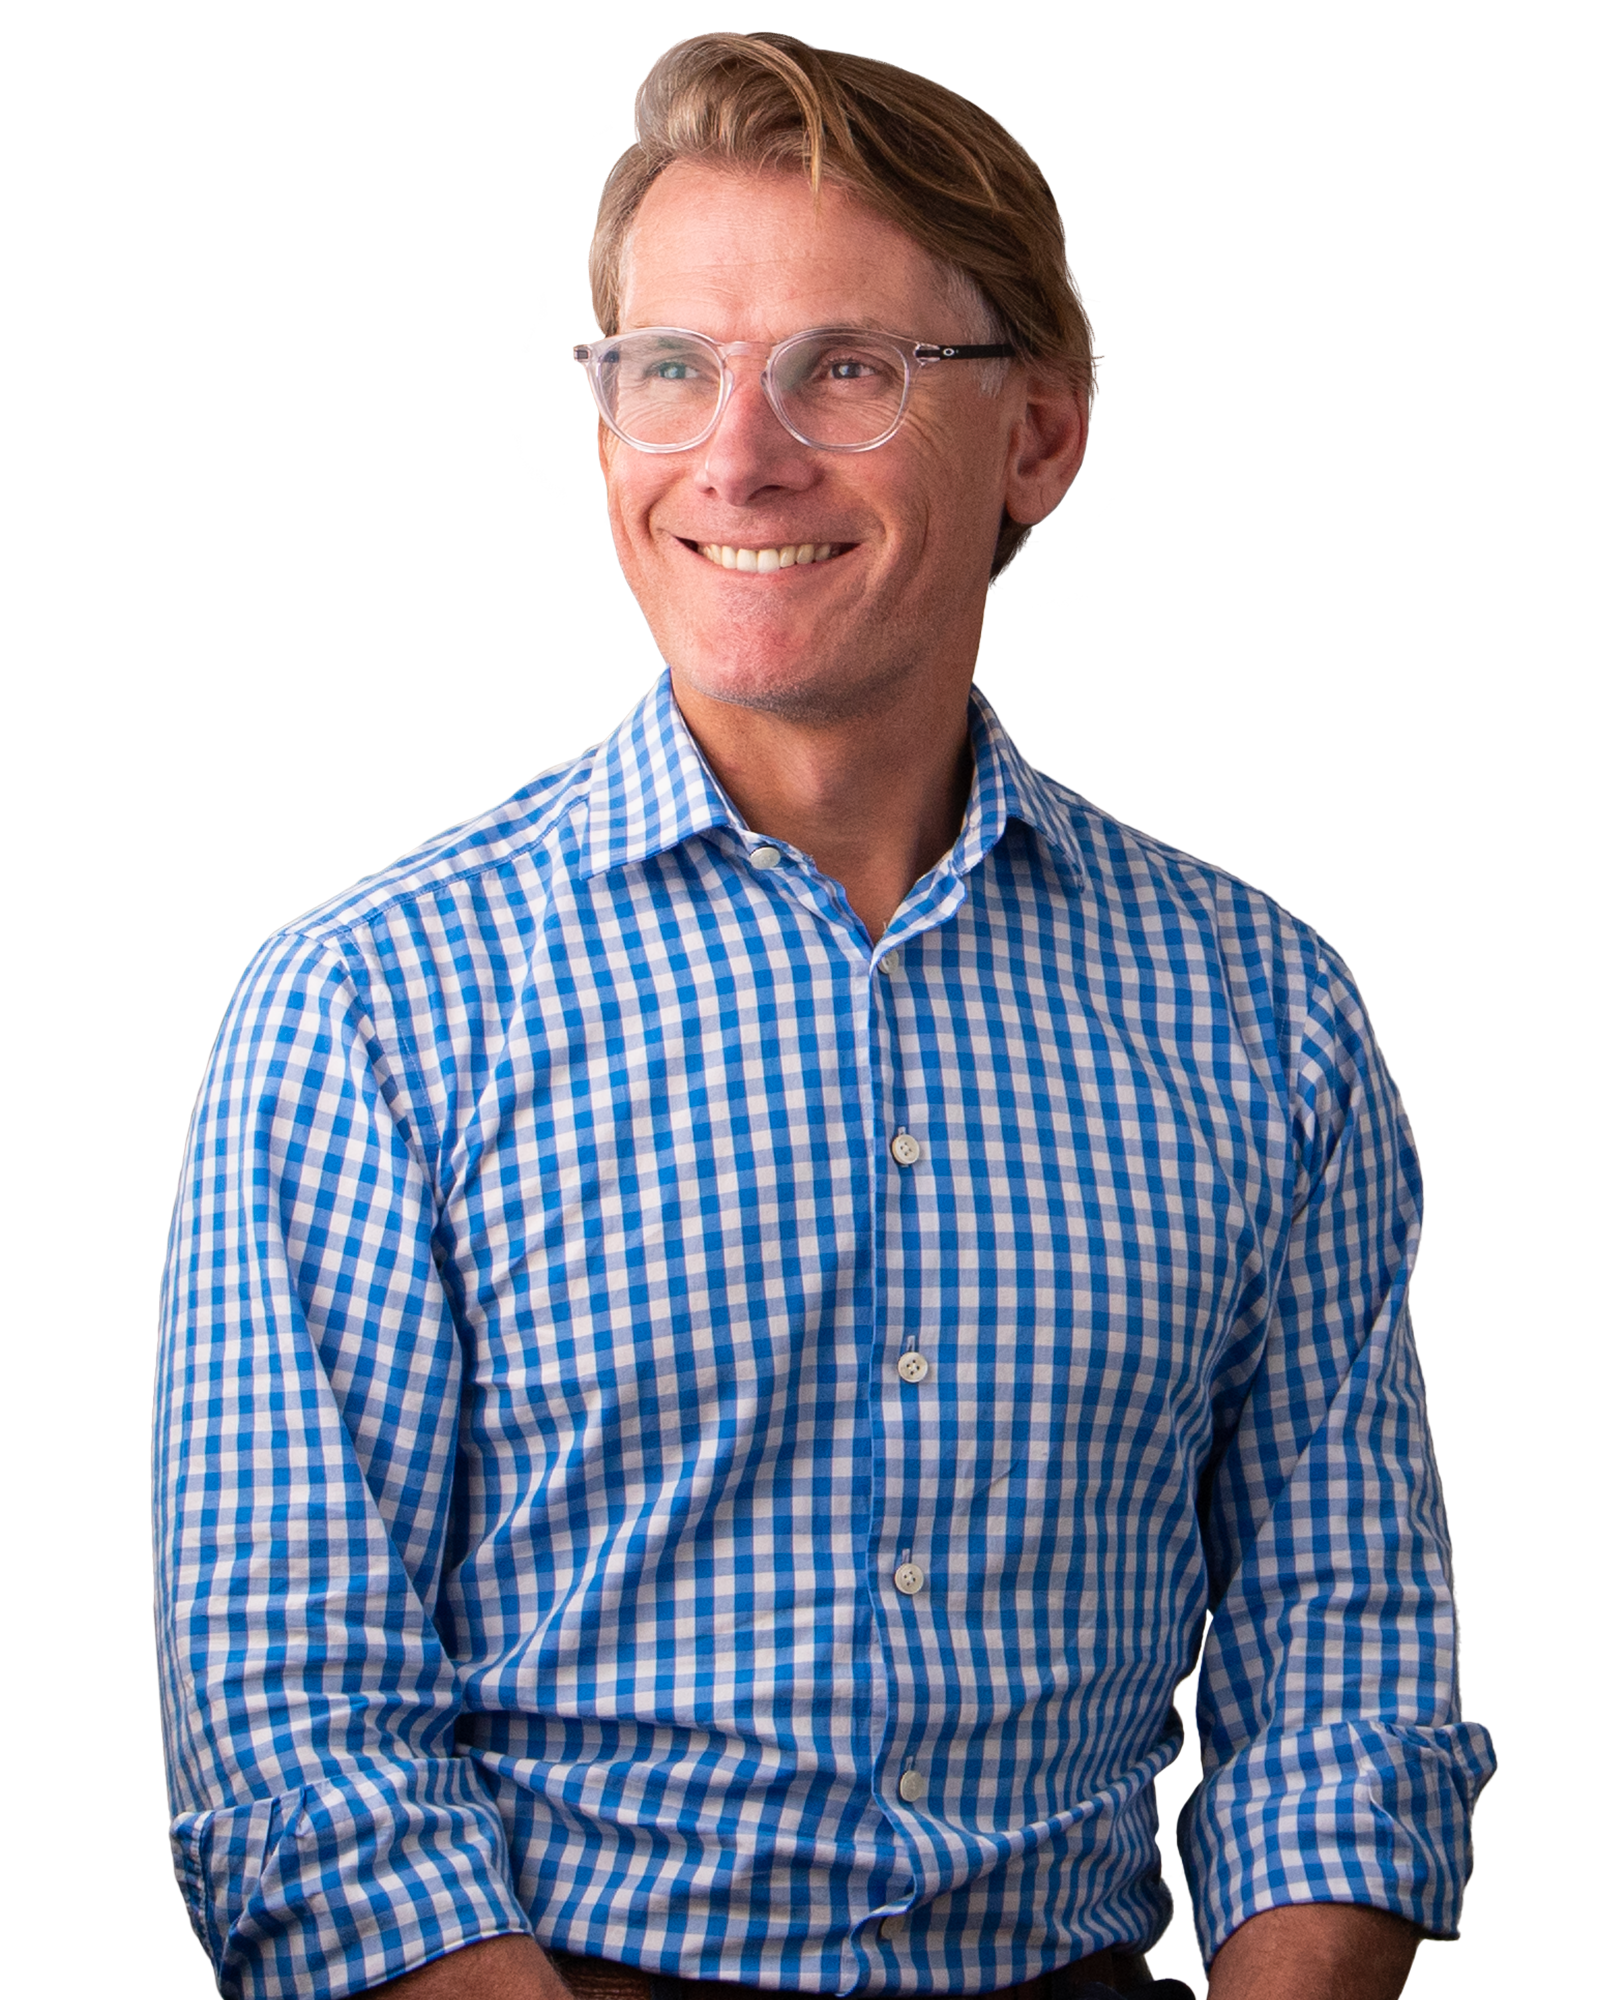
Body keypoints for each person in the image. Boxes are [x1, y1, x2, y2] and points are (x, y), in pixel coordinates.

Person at [154, 35, 1493, 2000]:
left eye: (844, 369)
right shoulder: (369, 1009)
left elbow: (1343, 1660)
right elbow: (295, 1724)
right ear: (603, 433)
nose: (740, 453)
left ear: (1036, 438)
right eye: (670, 370)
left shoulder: (1254, 1014)